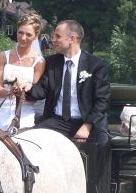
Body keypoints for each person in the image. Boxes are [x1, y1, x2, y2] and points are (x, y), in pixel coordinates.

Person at [16, 20, 110, 148]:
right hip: (58, 121)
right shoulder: (51, 62)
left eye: (58, 36)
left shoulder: (96, 64)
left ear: (71, 39)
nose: (53, 40)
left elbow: (102, 100)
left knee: (101, 144)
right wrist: (30, 88)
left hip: (88, 122)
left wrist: (87, 126)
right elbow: (43, 89)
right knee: (30, 141)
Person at [0, 14, 46, 130]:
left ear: (36, 36)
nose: (23, 38)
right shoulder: (3, 56)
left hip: (24, 111)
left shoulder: (39, 62)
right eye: (20, 32)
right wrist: (10, 92)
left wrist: (22, 96)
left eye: (28, 34)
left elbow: (35, 96)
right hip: (0, 107)